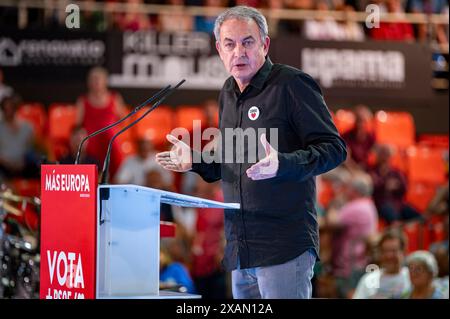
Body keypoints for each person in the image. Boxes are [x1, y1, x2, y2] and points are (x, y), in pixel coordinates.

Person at [156, 6, 347, 299]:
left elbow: (334, 149)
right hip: (241, 250)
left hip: (284, 246)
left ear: (265, 45)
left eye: (248, 42)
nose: (239, 52)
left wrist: (283, 163)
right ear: (219, 49)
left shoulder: (292, 85)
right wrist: (195, 160)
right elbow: (230, 161)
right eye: (230, 44)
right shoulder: (228, 93)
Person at [76, 66, 126, 179]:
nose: (96, 82)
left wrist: (114, 130)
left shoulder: (115, 98)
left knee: (112, 140)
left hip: (109, 140)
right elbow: (78, 125)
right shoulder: (83, 100)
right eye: (93, 79)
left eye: (98, 79)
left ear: (105, 81)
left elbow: (124, 121)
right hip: (91, 139)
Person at [353, 229, 411, 299]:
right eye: (385, 251)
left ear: (404, 251)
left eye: (393, 251)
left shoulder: (412, 278)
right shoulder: (369, 280)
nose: (389, 256)